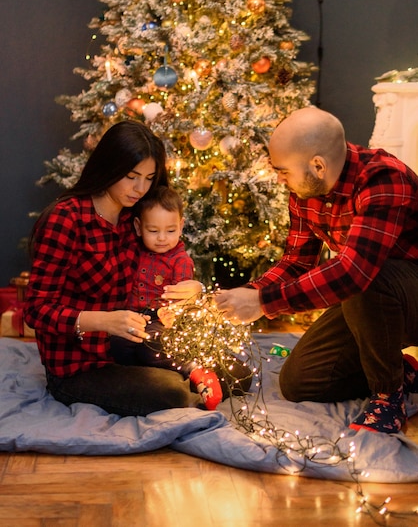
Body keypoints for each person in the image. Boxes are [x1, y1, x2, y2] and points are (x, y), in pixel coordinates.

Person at [215, 106, 418, 434]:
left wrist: (266, 303)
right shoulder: (304, 191)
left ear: (318, 165)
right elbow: (296, 262)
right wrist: (249, 294)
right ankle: (405, 372)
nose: (279, 179)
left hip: (403, 291)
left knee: (366, 277)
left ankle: (388, 397)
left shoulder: (383, 179)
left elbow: (355, 272)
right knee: (300, 383)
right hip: (370, 300)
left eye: (283, 170)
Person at [24, 121, 203, 417]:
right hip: (77, 367)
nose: (140, 188)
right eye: (131, 176)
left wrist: (193, 287)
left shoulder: (135, 217)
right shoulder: (66, 219)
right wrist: (104, 322)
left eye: (148, 178)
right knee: (172, 391)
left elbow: (167, 259)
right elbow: (36, 310)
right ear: (109, 166)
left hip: (132, 347)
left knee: (234, 372)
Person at [110, 185, 223, 410]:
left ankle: (195, 370)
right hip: (132, 317)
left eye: (170, 231)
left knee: (151, 346)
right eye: (153, 231)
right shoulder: (135, 251)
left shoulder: (180, 261)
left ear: (181, 226)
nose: (162, 238)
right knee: (117, 345)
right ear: (139, 228)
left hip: (162, 322)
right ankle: (149, 378)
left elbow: (183, 299)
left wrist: (173, 312)